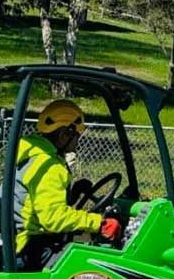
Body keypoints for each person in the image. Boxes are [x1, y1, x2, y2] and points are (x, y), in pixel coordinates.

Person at [13, 100, 122, 269]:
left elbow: (35, 205)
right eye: (77, 134)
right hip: (30, 248)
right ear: (65, 133)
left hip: (20, 241)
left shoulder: (32, 156)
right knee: (95, 268)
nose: (78, 140)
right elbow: (53, 218)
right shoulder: (49, 166)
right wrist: (99, 223)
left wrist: (72, 195)